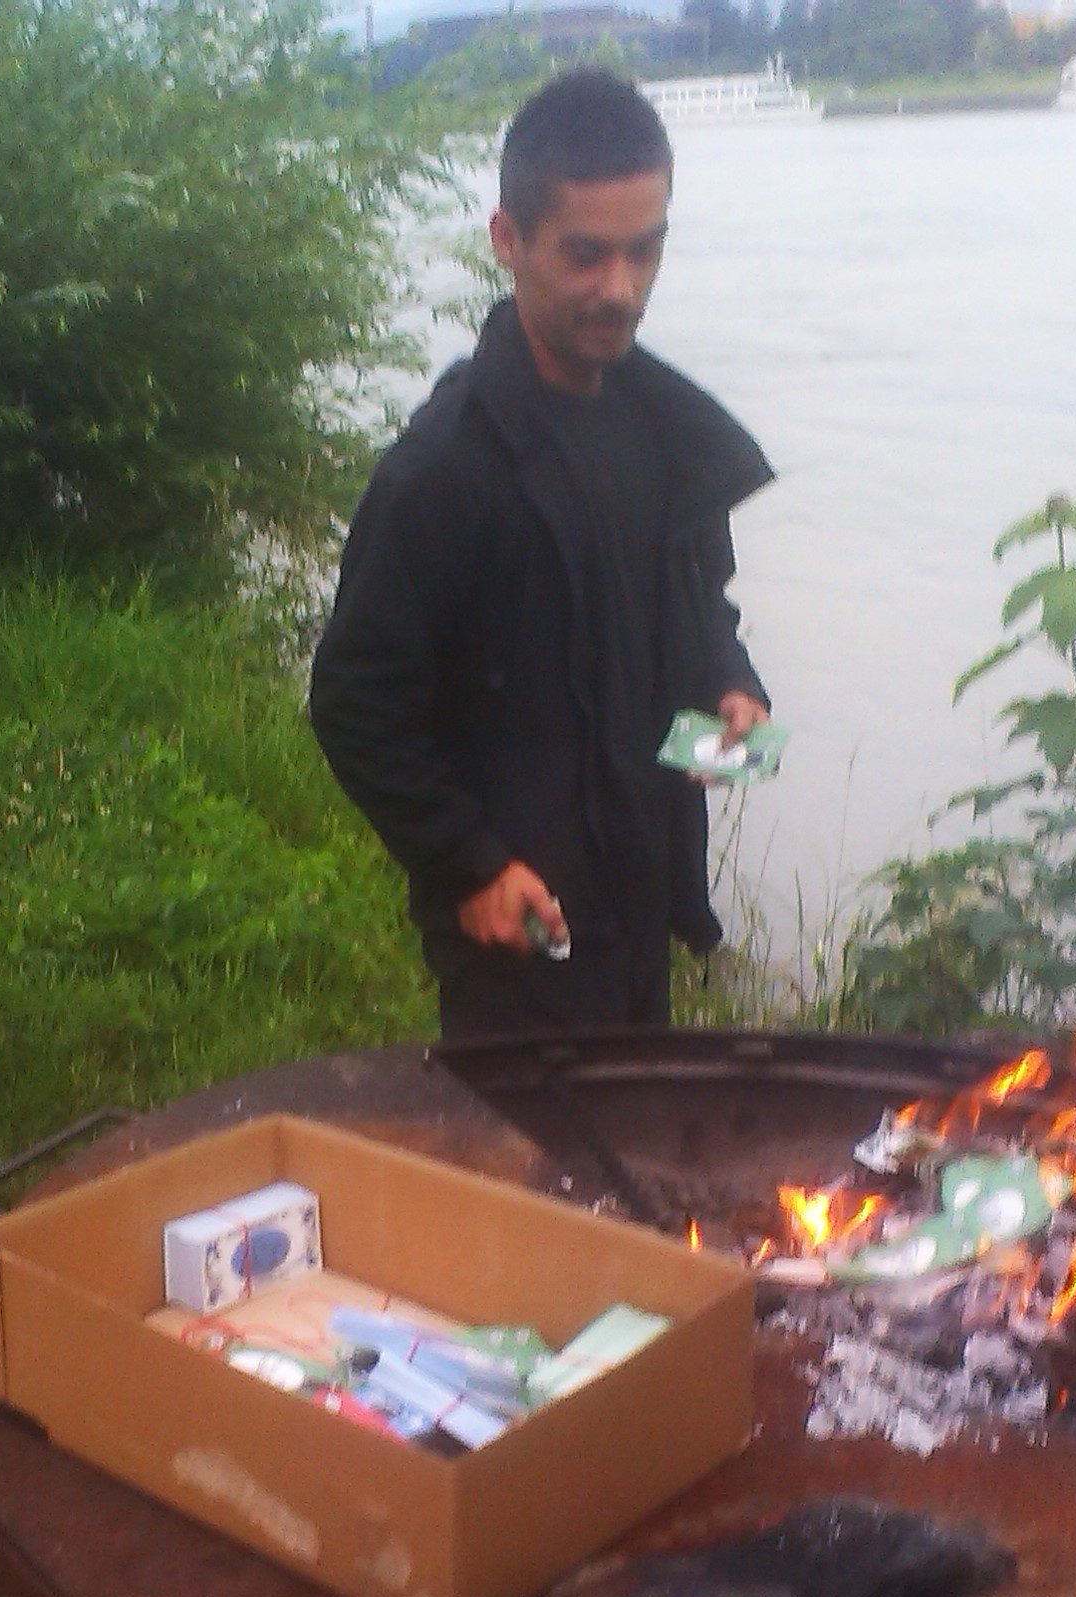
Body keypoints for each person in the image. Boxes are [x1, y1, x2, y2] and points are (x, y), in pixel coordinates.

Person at [308, 69, 776, 1041]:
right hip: (523, 933)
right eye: (587, 255)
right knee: (532, 1189)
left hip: (643, 895)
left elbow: (699, 598)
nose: (622, 287)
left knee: (645, 1180)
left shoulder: (658, 425)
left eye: (645, 252)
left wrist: (727, 680)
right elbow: (355, 699)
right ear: (508, 241)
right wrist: (466, 862)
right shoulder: (443, 472)